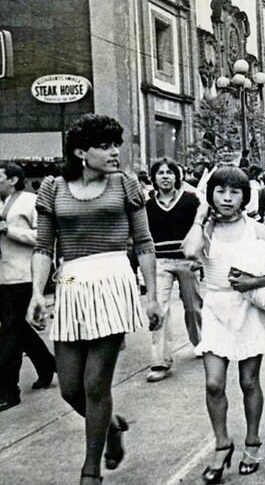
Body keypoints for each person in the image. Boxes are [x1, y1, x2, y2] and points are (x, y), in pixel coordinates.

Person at [26, 114, 164, 485]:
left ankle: (91, 471)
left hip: (115, 278)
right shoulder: (53, 188)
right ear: (80, 151)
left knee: (95, 385)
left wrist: (152, 297)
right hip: (71, 278)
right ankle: (113, 427)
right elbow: (43, 247)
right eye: (105, 146)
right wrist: (38, 293)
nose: (115, 152)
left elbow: (144, 244)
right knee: (70, 387)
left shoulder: (126, 184)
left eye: (116, 144)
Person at [183, 168, 265, 482]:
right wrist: (201, 217)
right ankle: (222, 443)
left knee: (249, 381)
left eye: (235, 192)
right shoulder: (206, 228)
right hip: (215, 307)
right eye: (220, 191)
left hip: (248, 308)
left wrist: (252, 282)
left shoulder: (255, 229)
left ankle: (252, 442)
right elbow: (188, 251)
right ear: (211, 194)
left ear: (244, 196)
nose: (227, 198)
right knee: (214, 382)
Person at [0, 162, 56, 411]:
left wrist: (10, 230)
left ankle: (9, 390)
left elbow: (43, 237)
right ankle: (46, 363)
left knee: (9, 332)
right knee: (18, 328)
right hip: (2, 276)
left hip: (24, 275)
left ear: (12, 179)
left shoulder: (30, 201)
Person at [145, 157, 203, 383]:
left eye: (170, 172)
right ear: (154, 178)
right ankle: (160, 360)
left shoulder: (190, 200)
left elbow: (201, 229)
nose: (165, 176)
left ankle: (201, 343)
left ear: (177, 176)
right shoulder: (148, 205)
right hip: (160, 262)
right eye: (160, 173)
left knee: (193, 306)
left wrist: (199, 256)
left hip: (187, 261)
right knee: (160, 308)